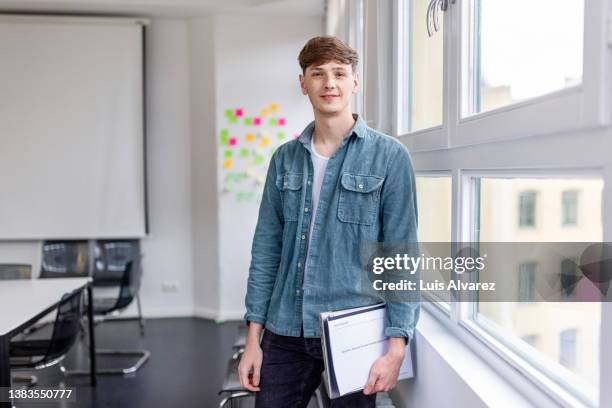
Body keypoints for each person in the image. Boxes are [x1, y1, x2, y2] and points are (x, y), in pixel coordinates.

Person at [238, 35, 419, 408]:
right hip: (285, 327)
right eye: (317, 73)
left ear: (356, 81)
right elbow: (266, 250)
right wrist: (253, 338)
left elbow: (401, 255)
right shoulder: (284, 159)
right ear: (303, 83)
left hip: (354, 331)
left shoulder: (390, 157)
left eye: (339, 73)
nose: (329, 83)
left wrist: (397, 344)